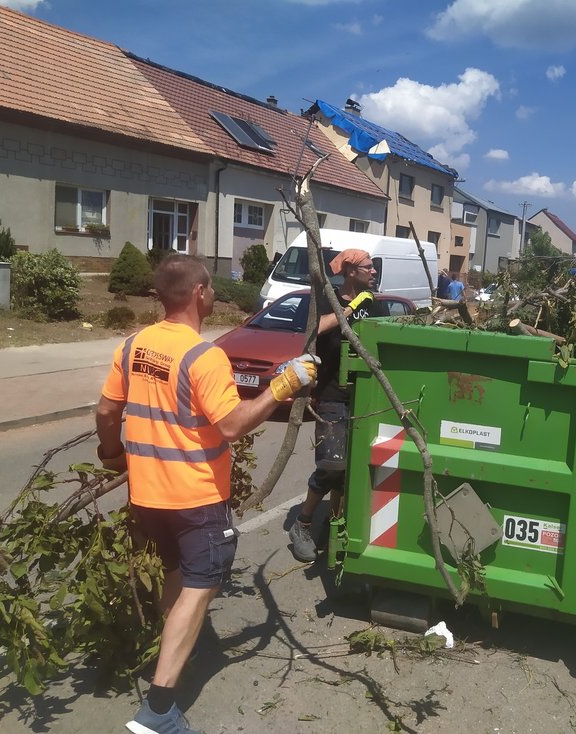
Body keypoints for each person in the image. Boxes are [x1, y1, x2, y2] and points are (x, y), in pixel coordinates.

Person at [96, 254, 318, 734]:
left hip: (147, 495)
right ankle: (157, 712)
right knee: (199, 589)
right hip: (195, 498)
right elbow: (233, 424)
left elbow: (106, 410)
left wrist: (111, 453)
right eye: (211, 289)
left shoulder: (133, 345)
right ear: (198, 293)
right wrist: (283, 384)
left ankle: (178, 650)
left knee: (174, 578)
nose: (215, 295)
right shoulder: (203, 356)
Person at [288, 248, 390, 562]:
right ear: (349, 271)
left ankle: (334, 524)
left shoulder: (377, 305)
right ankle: (303, 523)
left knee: (353, 470)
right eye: (368, 268)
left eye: (374, 268)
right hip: (333, 394)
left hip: (366, 396)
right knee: (333, 463)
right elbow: (313, 331)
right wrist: (350, 309)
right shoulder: (328, 298)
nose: (374, 272)